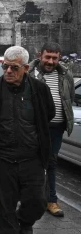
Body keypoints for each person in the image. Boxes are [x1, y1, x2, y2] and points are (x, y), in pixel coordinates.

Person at [0, 46, 54, 234]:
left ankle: (26, 220)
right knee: (4, 202)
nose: (8, 71)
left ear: (26, 68)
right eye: (5, 66)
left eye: (14, 67)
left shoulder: (39, 90)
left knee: (38, 201)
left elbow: (48, 113)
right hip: (2, 157)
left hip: (32, 157)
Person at [28, 42, 74, 218]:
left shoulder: (66, 74)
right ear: (40, 55)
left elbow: (68, 98)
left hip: (56, 127)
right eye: (47, 57)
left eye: (55, 58)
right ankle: (28, 198)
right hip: (34, 126)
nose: (50, 61)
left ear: (59, 57)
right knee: (31, 162)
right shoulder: (30, 72)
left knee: (52, 162)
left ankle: (51, 200)